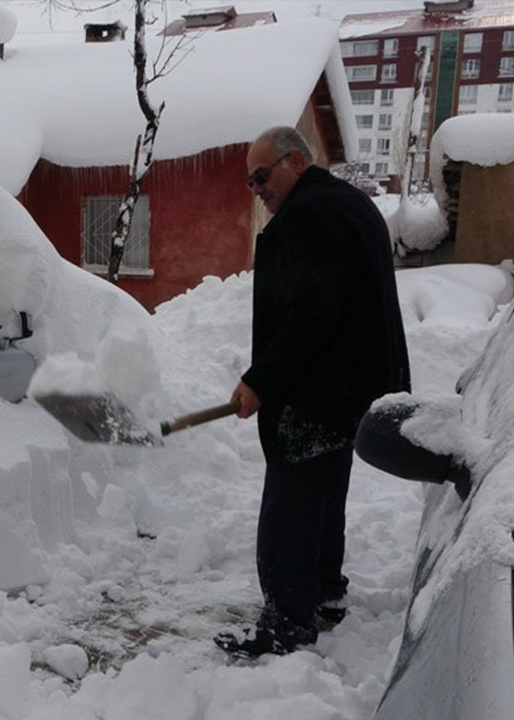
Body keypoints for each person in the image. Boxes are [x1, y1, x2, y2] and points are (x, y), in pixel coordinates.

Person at [214, 126, 410, 658]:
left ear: (295, 162)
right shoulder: (347, 203)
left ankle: (286, 623)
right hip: (350, 388)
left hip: (315, 390)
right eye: (250, 182)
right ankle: (323, 593)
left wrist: (260, 381)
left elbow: (311, 316)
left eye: (262, 176)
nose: (256, 189)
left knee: (291, 506)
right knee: (324, 493)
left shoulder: (308, 216)